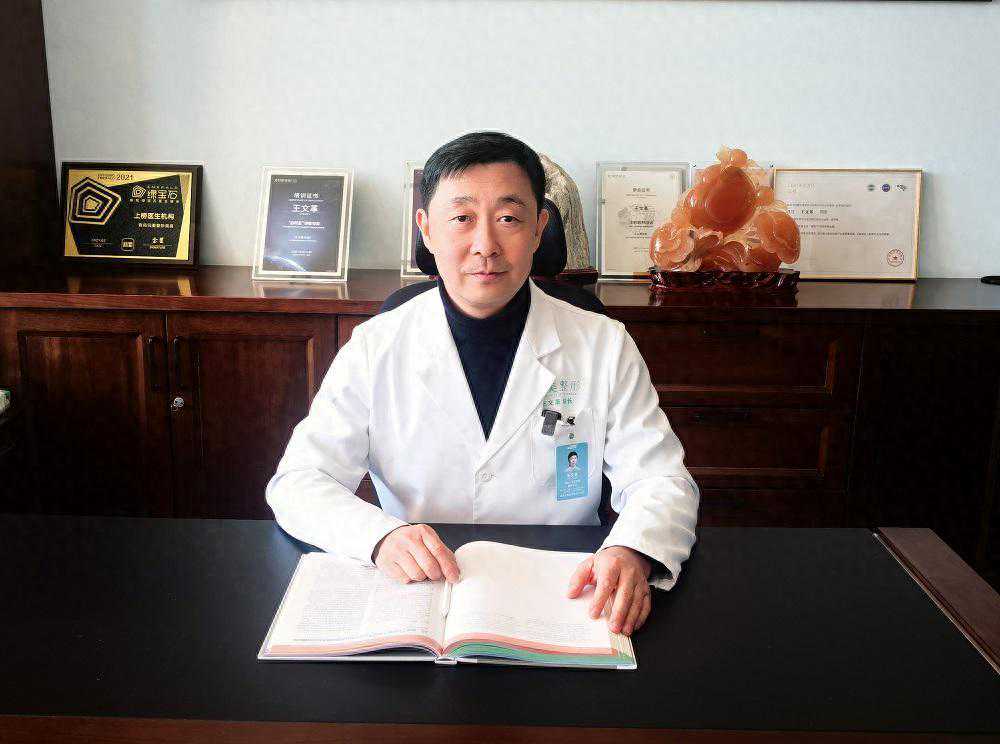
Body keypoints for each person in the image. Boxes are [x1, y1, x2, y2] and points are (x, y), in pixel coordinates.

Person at [266, 131, 699, 637]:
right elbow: (300, 481)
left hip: (566, 588)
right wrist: (379, 538)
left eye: (509, 218)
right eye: (462, 218)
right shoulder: (375, 346)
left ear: (539, 230)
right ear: (427, 230)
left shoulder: (602, 343)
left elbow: (661, 478)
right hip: (421, 588)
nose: (486, 246)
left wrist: (632, 549)